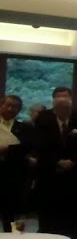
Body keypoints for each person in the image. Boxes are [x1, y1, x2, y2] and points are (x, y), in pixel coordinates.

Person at [34, 86, 77, 239]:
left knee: (75, 205)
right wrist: (57, 161)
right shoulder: (43, 118)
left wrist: (72, 161)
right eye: (61, 109)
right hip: (50, 170)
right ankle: (47, 235)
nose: (65, 112)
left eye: (67, 109)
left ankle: (75, 235)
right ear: (54, 109)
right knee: (48, 204)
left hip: (75, 171)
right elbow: (40, 146)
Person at [0, 95, 35, 232]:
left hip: (14, 177)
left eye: (14, 107)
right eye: (7, 105)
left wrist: (6, 149)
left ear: (19, 110)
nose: (10, 109)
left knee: (12, 216)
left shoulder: (25, 128)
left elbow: (25, 147)